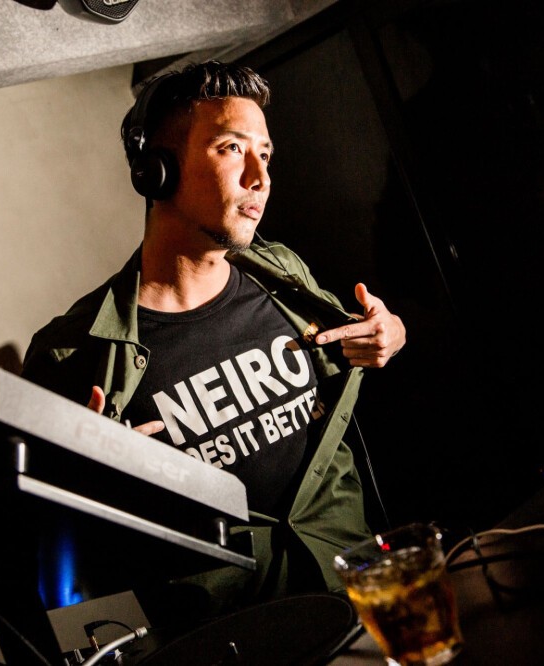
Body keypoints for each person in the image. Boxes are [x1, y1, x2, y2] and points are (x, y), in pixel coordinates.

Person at [21, 60, 406, 627]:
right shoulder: (71, 353)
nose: (260, 177)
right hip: (230, 640)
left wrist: (389, 333)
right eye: (231, 148)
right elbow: (57, 569)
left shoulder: (283, 274)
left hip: (363, 597)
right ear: (156, 171)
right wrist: (94, 498)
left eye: (265, 155)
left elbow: (362, 336)